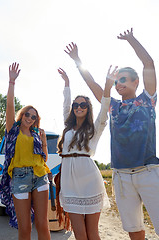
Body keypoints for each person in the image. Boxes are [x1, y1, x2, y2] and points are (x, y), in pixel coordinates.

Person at [64, 29, 159, 240]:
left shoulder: (148, 100)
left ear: (136, 82)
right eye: (117, 81)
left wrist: (131, 40)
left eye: (124, 79)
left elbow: (149, 64)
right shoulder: (113, 106)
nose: (119, 84)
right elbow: (94, 85)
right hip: (121, 175)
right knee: (134, 232)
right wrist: (77, 60)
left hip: (148, 171)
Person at [55, 67, 114, 239]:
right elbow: (65, 105)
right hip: (69, 181)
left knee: (93, 233)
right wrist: (67, 84)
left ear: (88, 108)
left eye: (83, 105)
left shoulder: (95, 128)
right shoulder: (67, 127)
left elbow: (104, 109)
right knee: (80, 234)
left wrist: (107, 87)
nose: (78, 107)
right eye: (76, 105)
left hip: (90, 180)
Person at [0, 62, 51, 240]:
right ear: (22, 115)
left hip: (39, 175)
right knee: (25, 227)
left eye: (33, 116)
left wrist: (44, 143)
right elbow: (9, 106)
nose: (30, 118)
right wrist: (11, 82)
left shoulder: (36, 134)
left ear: (36, 120)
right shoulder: (12, 131)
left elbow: (43, 156)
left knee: (43, 224)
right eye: (27, 114)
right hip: (20, 177)